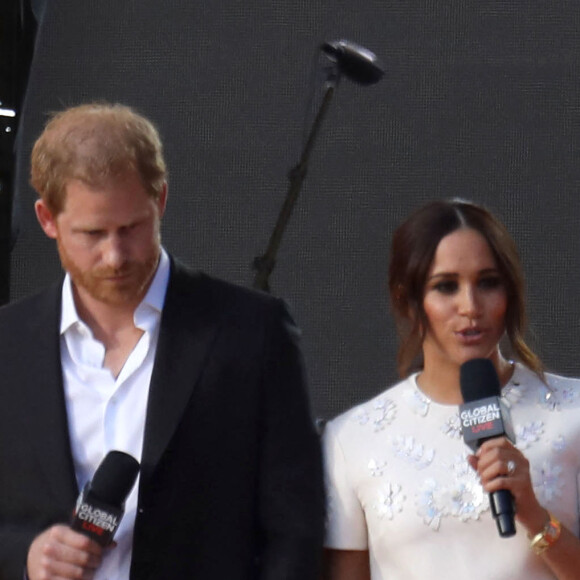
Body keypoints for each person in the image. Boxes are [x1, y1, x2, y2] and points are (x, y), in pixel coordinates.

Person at [0, 102, 325, 580]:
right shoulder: (8, 344)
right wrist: (25, 555)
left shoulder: (251, 331)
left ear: (162, 200)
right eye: (92, 233)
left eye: (131, 228)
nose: (115, 256)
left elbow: (295, 521)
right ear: (48, 219)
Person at [322, 199, 580, 580]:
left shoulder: (572, 413)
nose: (470, 306)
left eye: (488, 283)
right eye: (446, 287)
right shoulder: (351, 440)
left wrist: (536, 517)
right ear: (407, 299)